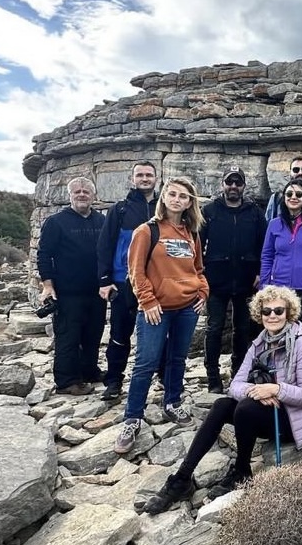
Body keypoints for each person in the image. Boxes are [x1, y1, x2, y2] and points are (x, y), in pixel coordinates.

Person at [138, 286, 302, 512]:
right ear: (259, 314)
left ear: (289, 313)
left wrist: (275, 389)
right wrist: (257, 392)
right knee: (221, 405)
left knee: (245, 409)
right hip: (265, 410)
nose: (272, 316)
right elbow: (235, 385)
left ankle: (242, 470)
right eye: (266, 311)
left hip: (292, 419)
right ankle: (182, 478)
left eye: (278, 310)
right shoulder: (260, 343)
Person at [114, 177, 209, 455]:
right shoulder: (147, 231)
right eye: (172, 194)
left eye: (183, 196)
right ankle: (132, 418)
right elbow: (136, 271)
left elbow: (198, 269)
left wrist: (202, 293)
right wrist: (148, 300)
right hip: (156, 308)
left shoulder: (191, 233)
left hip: (186, 308)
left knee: (177, 358)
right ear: (164, 197)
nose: (177, 199)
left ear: (190, 202)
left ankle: (173, 401)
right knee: (146, 362)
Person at [36, 177, 107, 396]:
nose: (82, 194)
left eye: (86, 191)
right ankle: (66, 381)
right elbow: (44, 255)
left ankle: (89, 371)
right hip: (67, 292)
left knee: (93, 334)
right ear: (70, 195)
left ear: (93, 195)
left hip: (97, 291)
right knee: (68, 336)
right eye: (77, 191)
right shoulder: (56, 222)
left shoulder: (102, 221)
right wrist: (47, 286)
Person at [200, 167, 267, 393]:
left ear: (244, 186)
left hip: (246, 280)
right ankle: (212, 375)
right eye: (230, 182)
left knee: (243, 327)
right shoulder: (209, 211)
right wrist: (200, 273)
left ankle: (239, 369)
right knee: (214, 327)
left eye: (238, 183)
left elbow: (263, 246)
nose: (233, 187)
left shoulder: (255, 213)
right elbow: (197, 245)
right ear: (223, 184)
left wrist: (259, 271)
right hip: (216, 280)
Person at [97, 161, 159, 401]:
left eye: (149, 175)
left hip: (156, 282)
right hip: (124, 281)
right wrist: (104, 280)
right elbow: (104, 245)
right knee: (119, 334)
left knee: (159, 332)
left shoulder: (163, 208)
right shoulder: (120, 209)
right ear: (132, 179)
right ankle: (113, 382)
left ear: (156, 178)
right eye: (140, 175)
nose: (144, 179)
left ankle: (164, 379)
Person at [259, 177, 302, 340]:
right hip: (279, 288)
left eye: (299, 194)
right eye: (289, 193)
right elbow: (267, 256)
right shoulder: (274, 224)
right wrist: (264, 285)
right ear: (284, 198)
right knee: (278, 331)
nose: (294, 197)